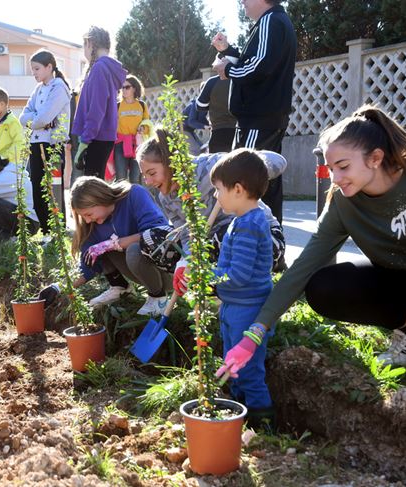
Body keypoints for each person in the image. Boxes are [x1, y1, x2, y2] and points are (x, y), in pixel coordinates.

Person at [217, 106, 406, 381]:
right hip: (400, 280)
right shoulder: (343, 203)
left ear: (375, 158)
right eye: (331, 168)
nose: (335, 179)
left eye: (344, 167)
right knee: (324, 287)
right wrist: (255, 332)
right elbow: (303, 266)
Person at [137, 129, 286, 276]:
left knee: (226, 235)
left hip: (260, 238)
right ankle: (205, 288)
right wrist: (185, 263)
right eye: (144, 176)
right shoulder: (166, 198)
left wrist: (246, 170)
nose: (148, 182)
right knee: (151, 239)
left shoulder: (212, 167)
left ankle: (231, 284)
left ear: (171, 163)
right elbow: (187, 236)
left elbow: (280, 162)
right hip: (212, 246)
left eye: (152, 173)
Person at [39, 177, 174, 316]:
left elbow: (158, 233)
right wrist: (58, 287)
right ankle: (120, 287)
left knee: (133, 249)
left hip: (165, 270)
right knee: (97, 250)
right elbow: (87, 267)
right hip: (140, 274)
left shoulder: (134, 195)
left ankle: (158, 298)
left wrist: (113, 244)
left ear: (99, 199)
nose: (87, 220)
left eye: (88, 214)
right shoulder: (93, 225)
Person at [212, 0, 296, 223]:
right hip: (262, 118)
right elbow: (256, 62)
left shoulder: (271, 21)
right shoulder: (274, 22)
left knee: (244, 183)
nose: (242, 2)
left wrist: (227, 69)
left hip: (258, 119)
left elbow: (259, 67)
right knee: (265, 184)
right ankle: (271, 245)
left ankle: (252, 243)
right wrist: (228, 52)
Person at [207, 149, 275, 426]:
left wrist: (207, 275)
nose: (215, 196)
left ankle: (262, 422)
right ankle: (238, 412)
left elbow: (239, 275)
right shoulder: (241, 221)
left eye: (218, 189)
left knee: (247, 370)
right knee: (231, 363)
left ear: (237, 189)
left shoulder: (249, 226)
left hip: (247, 309)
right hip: (234, 306)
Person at [19, 49, 71, 234]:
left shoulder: (59, 87)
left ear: (49, 67)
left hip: (52, 144)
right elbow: (23, 117)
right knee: (37, 187)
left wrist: (39, 121)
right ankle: (46, 230)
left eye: (37, 68)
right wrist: (40, 121)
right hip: (35, 142)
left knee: (52, 188)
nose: (34, 73)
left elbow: (42, 117)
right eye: (32, 69)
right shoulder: (38, 89)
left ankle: (57, 230)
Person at [71, 26, 127, 179]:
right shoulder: (105, 68)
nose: (84, 51)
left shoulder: (99, 69)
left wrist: (85, 141)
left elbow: (97, 109)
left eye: (84, 45)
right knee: (96, 186)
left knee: (93, 190)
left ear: (90, 44)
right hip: (100, 137)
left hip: (96, 138)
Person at [115, 75, 149, 183]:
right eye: (122, 87)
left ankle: (135, 199)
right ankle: (122, 200)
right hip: (120, 145)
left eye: (127, 87)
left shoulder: (142, 105)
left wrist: (143, 128)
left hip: (137, 145)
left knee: (136, 178)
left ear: (134, 88)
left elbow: (147, 124)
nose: (123, 90)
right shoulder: (117, 106)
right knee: (121, 179)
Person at [0, 87, 26, 164]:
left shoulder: (12, 122)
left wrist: (4, 157)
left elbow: (19, 143)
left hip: (7, 164)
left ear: (2, 104)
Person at [196, 74, 237, 153]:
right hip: (237, 130)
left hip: (218, 131)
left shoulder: (212, 81)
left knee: (217, 162)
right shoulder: (241, 79)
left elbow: (200, 105)